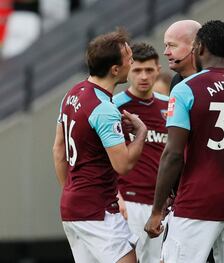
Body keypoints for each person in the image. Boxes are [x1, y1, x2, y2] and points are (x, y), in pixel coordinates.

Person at [145, 20, 224, 263]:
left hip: (197, 202)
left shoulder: (185, 89)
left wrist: (157, 210)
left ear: (199, 48)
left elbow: (173, 154)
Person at [52, 28, 148, 263]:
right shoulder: (103, 108)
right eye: (129, 58)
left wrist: (72, 192)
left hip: (72, 208)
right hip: (97, 210)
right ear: (115, 70)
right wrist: (141, 133)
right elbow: (123, 164)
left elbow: (58, 150)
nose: (132, 62)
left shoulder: (72, 94)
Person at [113, 42, 169, 263]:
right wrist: (116, 197)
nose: (143, 76)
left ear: (158, 70)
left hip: (160, 205)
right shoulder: (115, 106)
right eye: (137, 70)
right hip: (128, 203)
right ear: (129, 70)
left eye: (149, 70)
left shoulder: (171, 106)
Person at [163, 19, 201, 91]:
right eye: (166, 46)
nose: (166, 52)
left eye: (172, 45)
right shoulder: (176, 81)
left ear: (195, 46)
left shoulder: (213, 80)